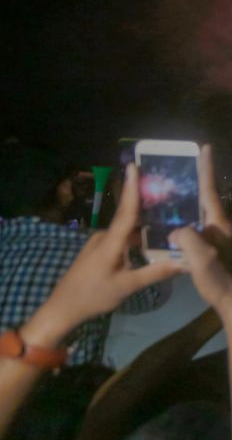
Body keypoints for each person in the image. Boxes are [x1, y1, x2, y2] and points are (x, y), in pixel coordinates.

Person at [0, 145, 167, 366]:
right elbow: (150, 296)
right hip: (59, 393)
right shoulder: (86, 249)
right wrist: (127, 215)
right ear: (65, 190)